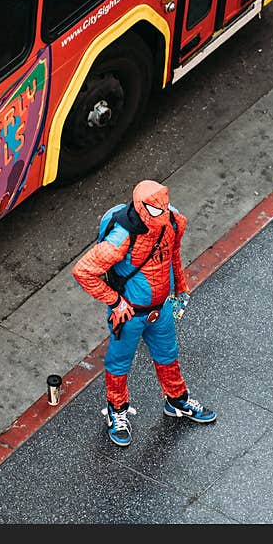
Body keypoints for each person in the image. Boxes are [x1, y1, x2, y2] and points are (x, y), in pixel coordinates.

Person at [72, 180, 216, 446]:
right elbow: (83, 271)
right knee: (119, 364)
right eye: (155, 208)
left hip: (160, 310)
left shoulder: (172, 222)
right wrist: (115, 302)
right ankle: (117, 412)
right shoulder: (122, 237)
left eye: (164, 204)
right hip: (129, 316)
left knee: (168, 355)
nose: (162, 212)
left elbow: (173, 257)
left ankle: (177, 400)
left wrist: (180, 288)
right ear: (140, 208)